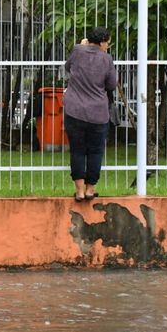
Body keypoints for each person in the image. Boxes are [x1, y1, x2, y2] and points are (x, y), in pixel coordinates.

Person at [64, 27, 117, 202]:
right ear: (102, 42)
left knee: (77, 151)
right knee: (95, 151)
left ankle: (79, 191)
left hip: (75, 111)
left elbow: (67, 67)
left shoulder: (78, 51)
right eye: (107, 43)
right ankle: (90, 189)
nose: (107, 47)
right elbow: (111, 84)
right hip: (98, 114)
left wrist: (81, 45)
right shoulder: (107, 59)